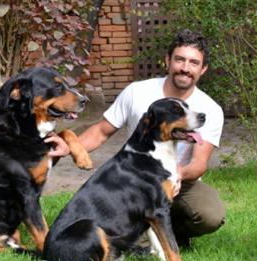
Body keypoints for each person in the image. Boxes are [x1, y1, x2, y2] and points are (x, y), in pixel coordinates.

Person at [46, 29, 225, 247]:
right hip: (135, 180)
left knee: (210, 214)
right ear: (167, 60)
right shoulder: (137, 92)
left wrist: (177, 174)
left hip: (180, 180)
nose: (185, 68)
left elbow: (198, 163)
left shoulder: (210, 109)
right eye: (179, 59)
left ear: (202, 69)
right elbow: (102, 131)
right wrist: (68, 148)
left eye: (194, 63)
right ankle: (135, 231)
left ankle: (167, 232)